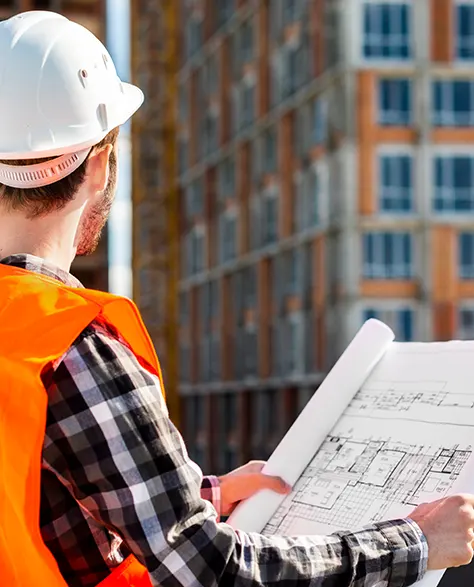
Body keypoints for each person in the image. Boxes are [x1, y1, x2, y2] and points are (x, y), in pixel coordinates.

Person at [0, 10, 473, 587]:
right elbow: (214, 573)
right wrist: (417, 543)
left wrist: (206, 495)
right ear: (99, 166)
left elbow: (35, 491)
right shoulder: (73, 350)